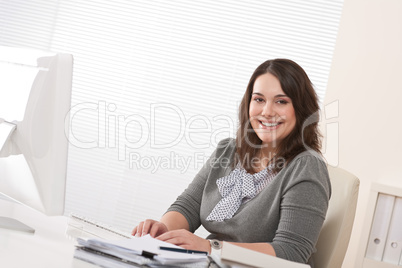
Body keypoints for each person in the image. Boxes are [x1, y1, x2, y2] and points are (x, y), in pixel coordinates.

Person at [132, 59, 331, 266]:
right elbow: (189, 205)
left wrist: (211, 248)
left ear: (302, 110)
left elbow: (292, 252)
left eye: (281, 101)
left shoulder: (306, 167)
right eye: (259, 99)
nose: (267, 111)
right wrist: (165, 231)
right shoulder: (228, 150)